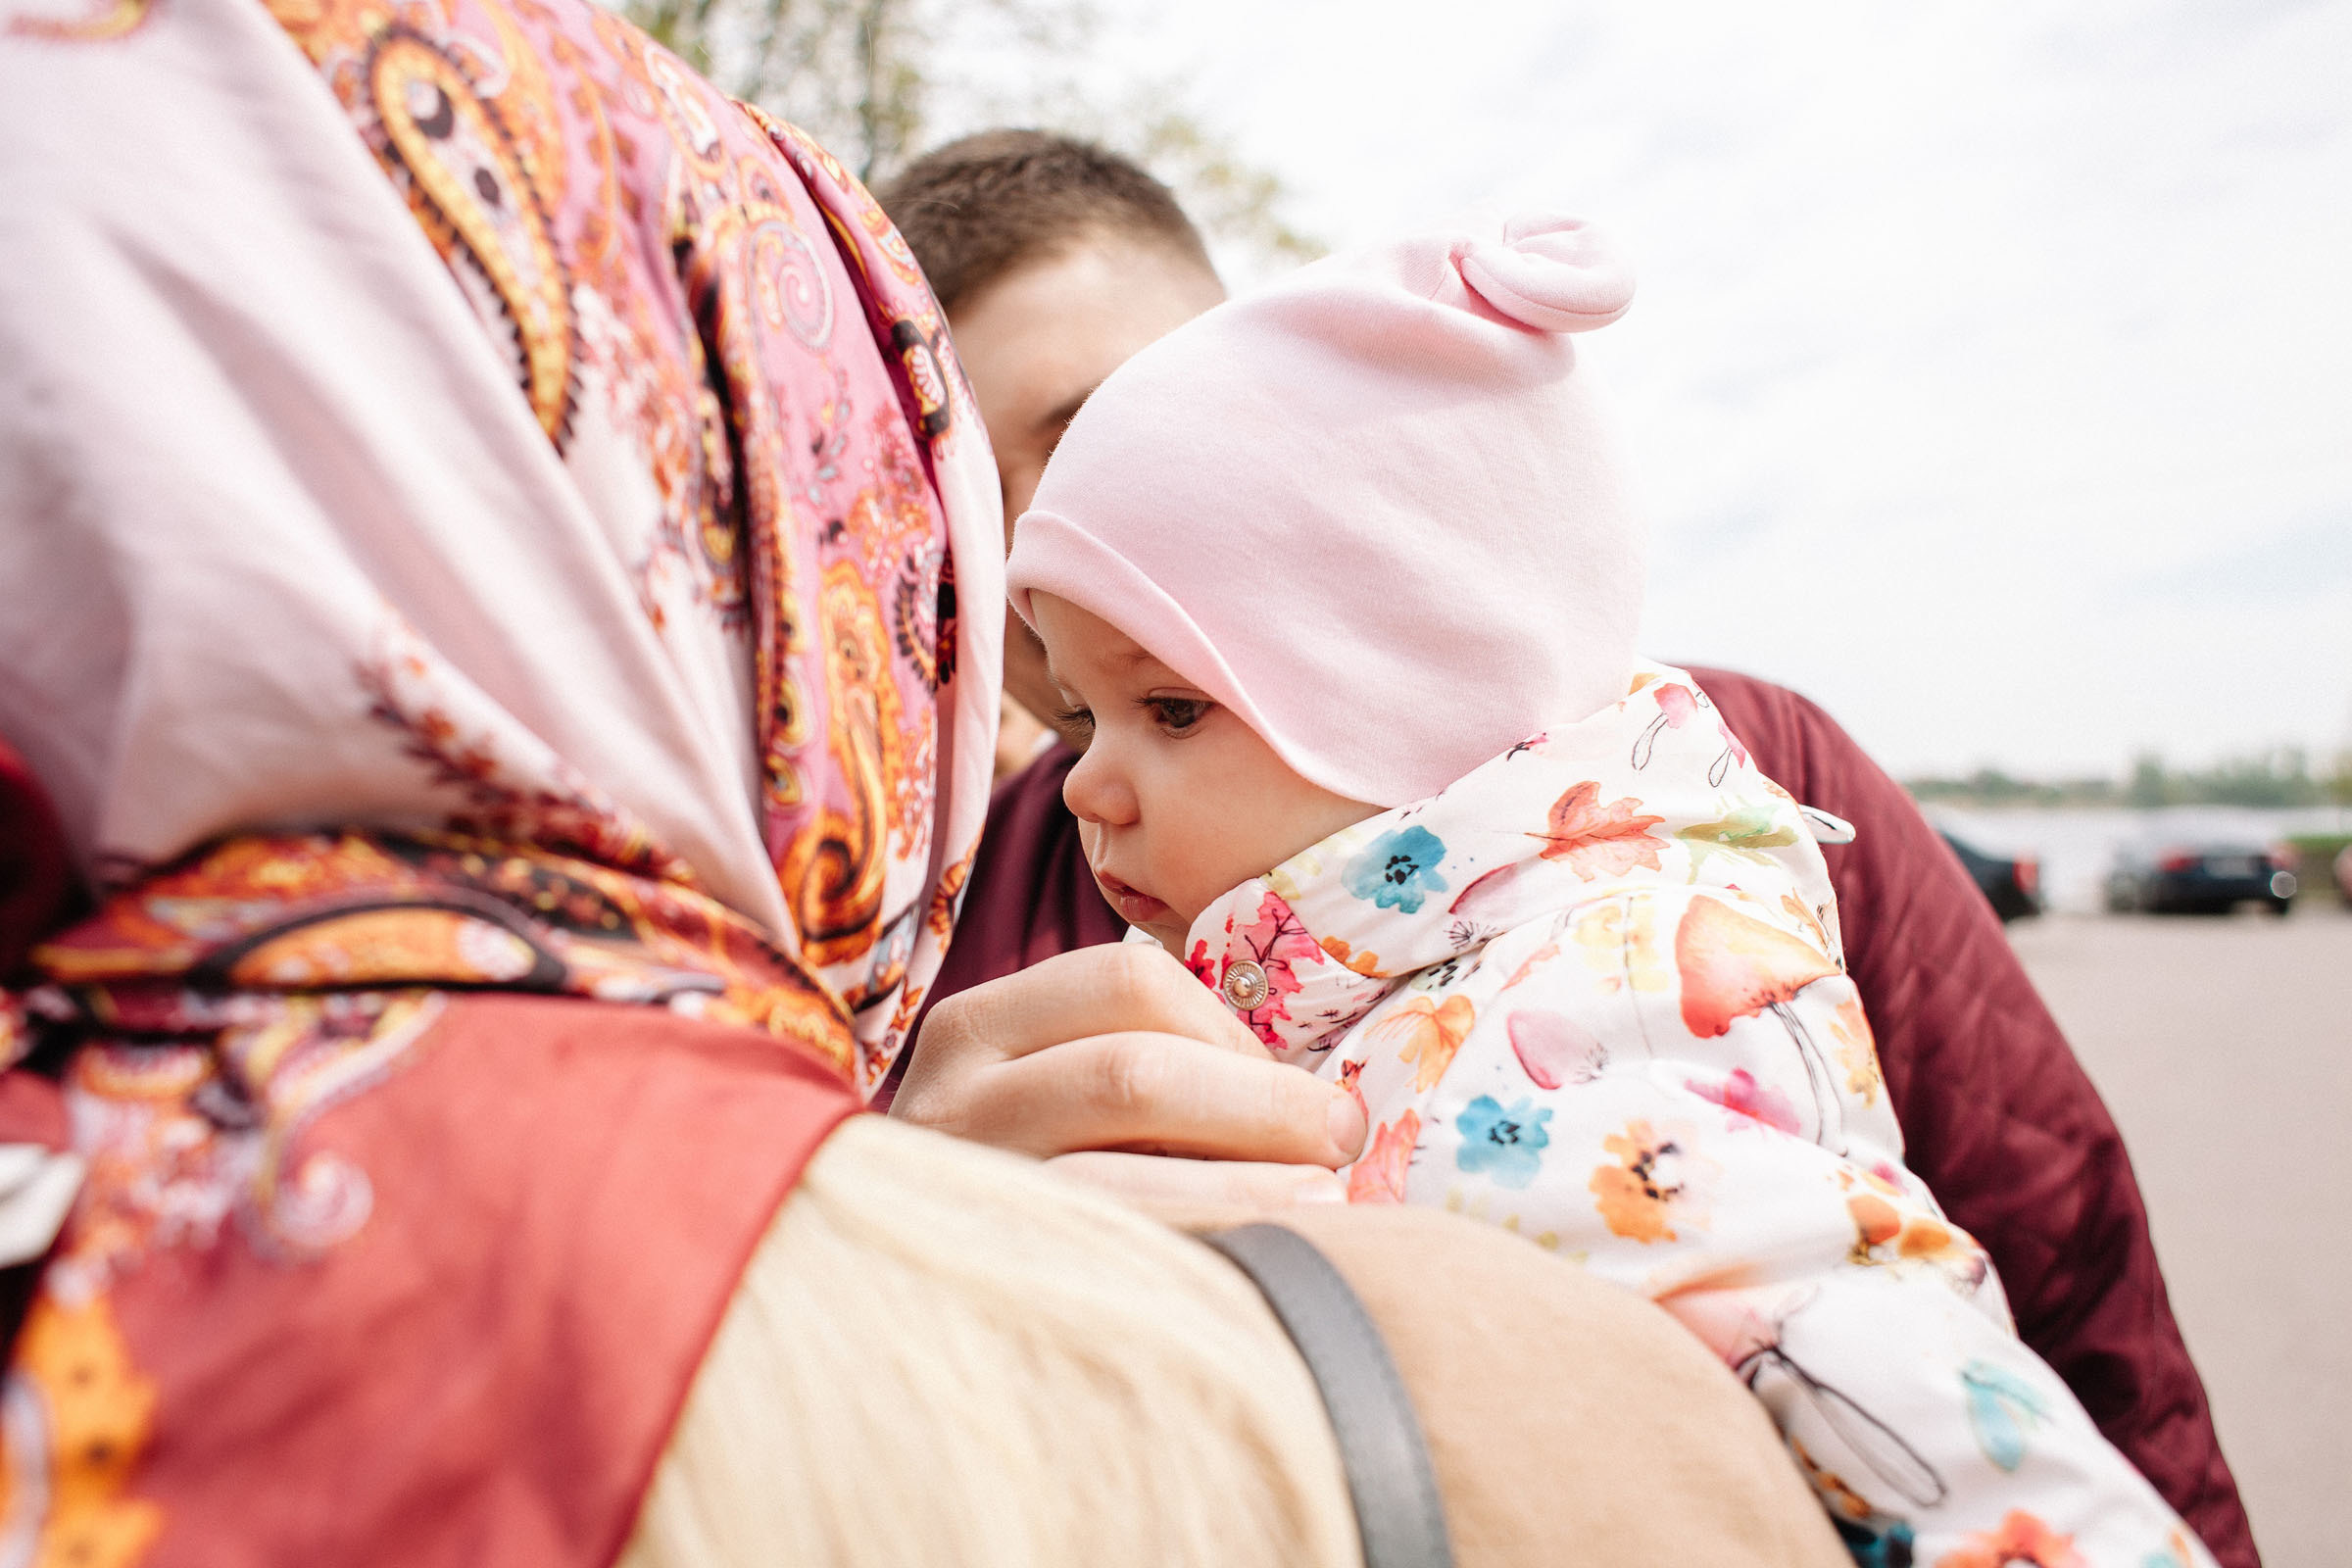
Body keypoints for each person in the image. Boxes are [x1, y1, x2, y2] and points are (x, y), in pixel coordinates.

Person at [0, 3, 1880, 1562]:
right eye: (974, 511)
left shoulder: (1736, 791)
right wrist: (878, 1242)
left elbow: (2061, 1335)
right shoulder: (1499, 1413)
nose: (1039, 557)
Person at [879, 132, 2258, 1568]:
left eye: (1096, 422)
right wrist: (912, 1248)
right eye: (958, 483)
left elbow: (2068, 1304)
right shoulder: (930, 936)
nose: (1036, 522)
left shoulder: (1738, 800)